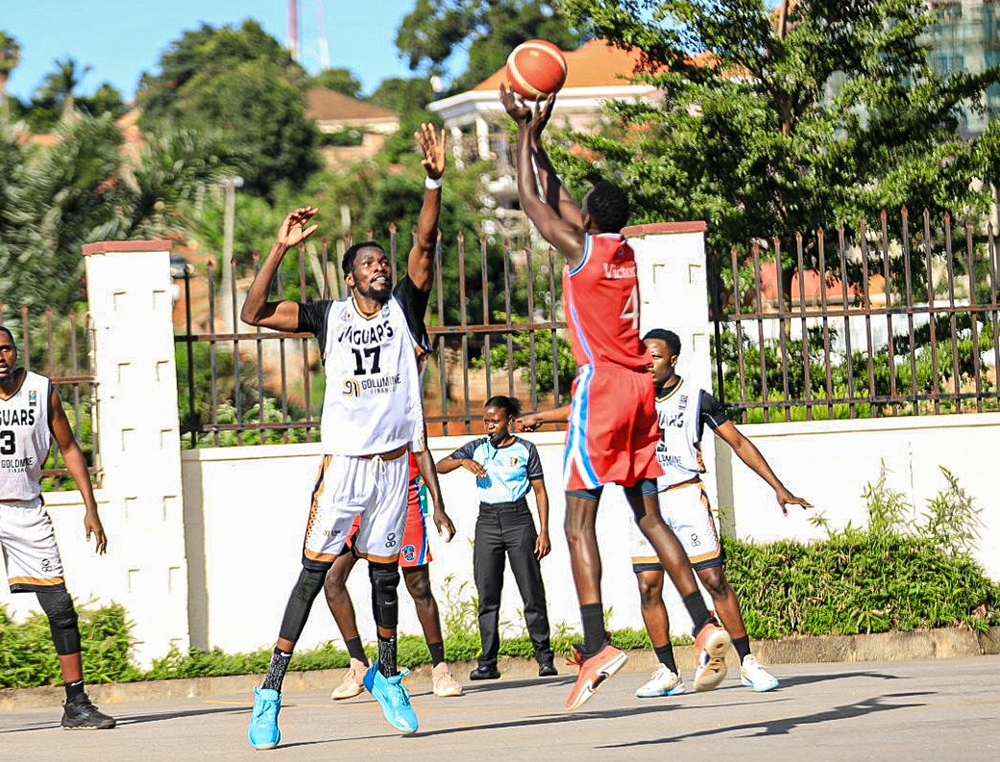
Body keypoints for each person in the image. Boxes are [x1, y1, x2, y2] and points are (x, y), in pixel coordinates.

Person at [500, 86, 730, 711]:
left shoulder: (579, 252)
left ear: (587, 221)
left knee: (578, 521)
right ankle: (704, 623)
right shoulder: (623, 249)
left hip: (601, 388)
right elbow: (559, 195)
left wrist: (521, 129)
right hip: (640, 391)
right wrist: (540, 138)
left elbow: (532, 199)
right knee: (648, 517)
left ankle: (597, 644)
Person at [239, 123, 447, 748]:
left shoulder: (406, 308)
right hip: (345, 466)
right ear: (350, 277)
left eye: (383, 261)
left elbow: (426, 241)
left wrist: (434, 179)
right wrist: (278, 248)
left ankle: (388, 674)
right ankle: (270, 690)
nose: (380, 267)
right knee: (312, 574)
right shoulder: (327, 316)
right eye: (368, 264)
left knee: (387, 578)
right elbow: (251, 314)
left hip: (394, 467)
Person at [629, 329, 811, 696]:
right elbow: (587, 411)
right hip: (645, 502)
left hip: (683, 497)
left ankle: (747, 662)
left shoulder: (697, 399)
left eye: (656, 357)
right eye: (643, 357)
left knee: (713, 579)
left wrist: (777, 486)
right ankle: (667, 671)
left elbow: (739, 442)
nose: (648, 363)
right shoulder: (630, 398)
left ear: (673, 360)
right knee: (649, 586)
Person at [0, 325, 115, 730]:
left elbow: (68, 447)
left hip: (24, 510)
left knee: (60, 607)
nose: (1, 357)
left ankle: (77, 704)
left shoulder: (41, 390)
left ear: (16, 353)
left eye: (6, 349)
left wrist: (91, 507)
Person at [323, 446, 463, 700]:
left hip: (402, 497)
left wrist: (438, 506)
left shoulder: (404, 408)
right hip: (360, 501)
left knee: (418, 586)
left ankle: (440, 669)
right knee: (332, 579)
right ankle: (358, 666)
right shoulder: (354, 410)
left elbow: (422, 452)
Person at [436, 396, 557, 680]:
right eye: (487, 421)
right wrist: (463, 461)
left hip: (519, 520)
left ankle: (544, 657)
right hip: (488, 522)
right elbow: (440, 465)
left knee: (532, 592)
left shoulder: (526, 449)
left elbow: (540, 491)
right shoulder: (477, 447)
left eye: (495, 421)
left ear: (509, 421)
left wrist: (544, 531)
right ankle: (488, 663)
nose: (490, 426)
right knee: (487, 595)